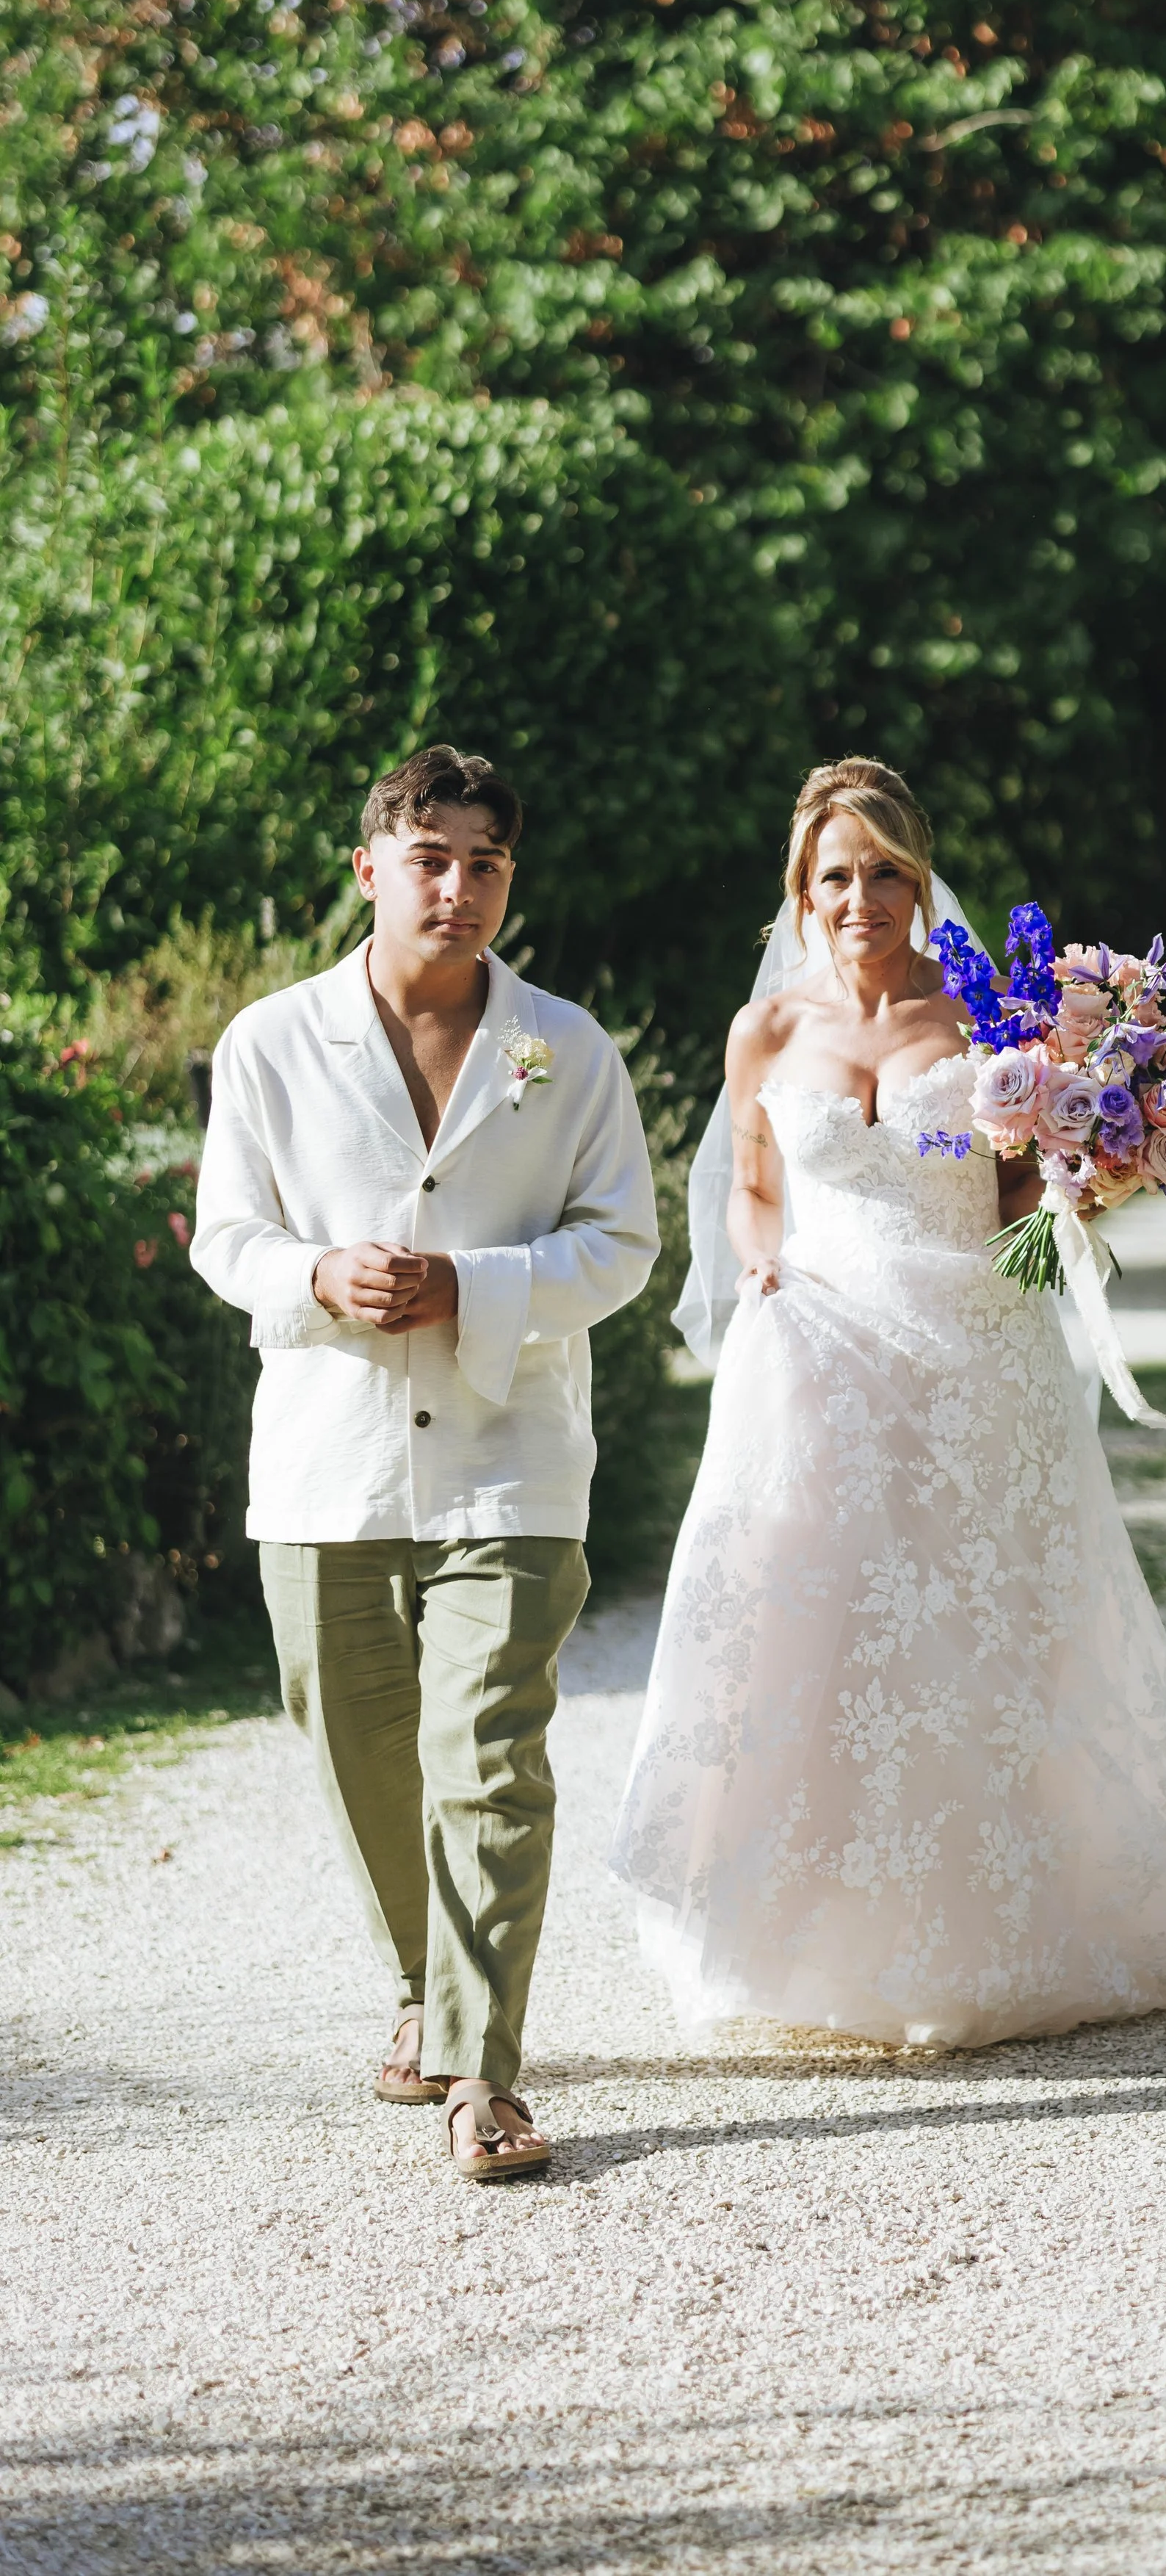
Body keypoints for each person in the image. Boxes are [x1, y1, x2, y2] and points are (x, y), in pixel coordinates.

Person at [610, 759, 1166, 2046]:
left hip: (976, 1348)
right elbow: (749, 1180)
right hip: (821, 1351)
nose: (863, 897)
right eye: (836, 875)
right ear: (802, 891)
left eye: (887, 873)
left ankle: (1011, 1923)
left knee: (990, 1621)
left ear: (922, 881)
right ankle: (832, 1938)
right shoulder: (768, 1032)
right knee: (830, 1627)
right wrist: (755, 1255)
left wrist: (1097, 1165)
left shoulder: (992, 1019)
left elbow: (1030, 1188)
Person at [192, 746, 658, 2177]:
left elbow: (622, 1242)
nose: (459, 888)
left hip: (509, 1457)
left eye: (487, 863)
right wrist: (322, 1270)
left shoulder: (564, 1048)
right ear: (370, 867)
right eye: (431, 858)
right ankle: (427, 1985)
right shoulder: (270, 1041)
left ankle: (482, 2072)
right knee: (354, 1744)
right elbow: (226, 1236)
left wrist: (476, 1286)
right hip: (325, 1459)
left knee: (490, 1754)